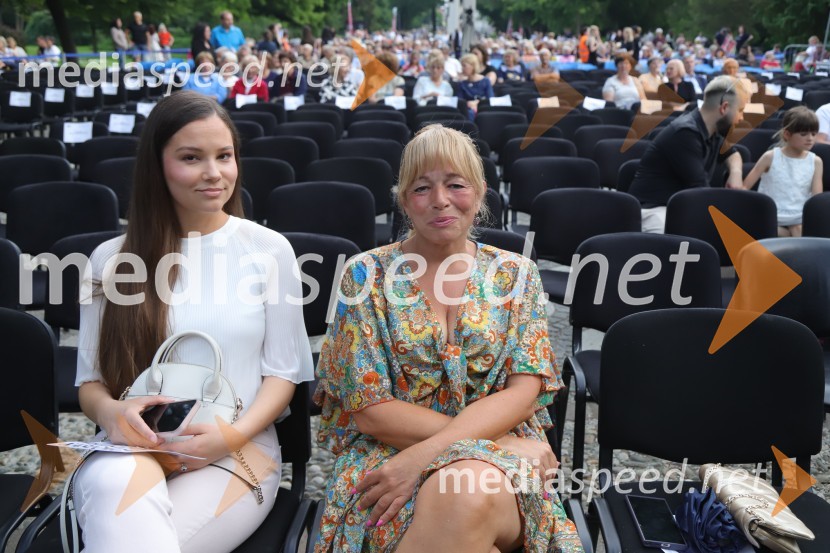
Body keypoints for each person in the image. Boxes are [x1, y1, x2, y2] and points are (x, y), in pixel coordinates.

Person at [313, 124, 584, 553]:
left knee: (465, 488)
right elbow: (370, 411)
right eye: (422, 188)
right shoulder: (364, 276)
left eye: (455, 184)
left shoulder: (517, 274)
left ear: (479, 193)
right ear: (404, 200)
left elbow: (525, 389)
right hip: (388, 455)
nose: (440, 200)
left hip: (487, 460)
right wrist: (495, 444)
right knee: (469, 514)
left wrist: (432, 454)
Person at [72, 90, 314, 552]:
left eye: (224, 156)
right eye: (191, 157)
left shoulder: (268, 250)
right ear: (157, 166)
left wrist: (230, 436)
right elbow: (91, 384)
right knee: (119, 497)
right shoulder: (111, 260)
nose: (213, 173)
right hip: (130, 448)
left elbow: (283, 373)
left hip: (239, 450)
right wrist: (112, 413)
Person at [628, 75, 746, 233]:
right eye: (740, 110)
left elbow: (733, 154)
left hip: (678, 209)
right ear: (724, 108)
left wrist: (736, 173)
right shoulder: (685, 133)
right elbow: (700, 190)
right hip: (654, 211)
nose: (741, 118)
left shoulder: (711, 129)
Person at [742, 107, 823, 236]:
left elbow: (816, 199)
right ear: (787, 134)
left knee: (797, 230)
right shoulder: (770, 157)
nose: (810, 139)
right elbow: (745, 188)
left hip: (799, 218)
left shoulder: (816, 161)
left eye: (813, 134)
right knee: (784, 234)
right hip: (771, 217)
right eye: (803, 134)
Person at [457, 53, 493, 118]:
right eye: (461, 66)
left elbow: (490, 98)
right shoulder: (462, 83)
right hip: (466, 110)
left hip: (483, 109)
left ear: (473, 66)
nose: (462, 69)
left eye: (464, 66)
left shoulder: (485, 81)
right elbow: (460, 100)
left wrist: (477, 102)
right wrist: (468, 103)